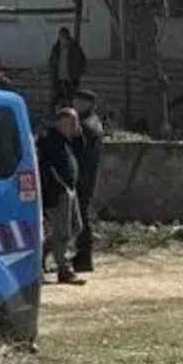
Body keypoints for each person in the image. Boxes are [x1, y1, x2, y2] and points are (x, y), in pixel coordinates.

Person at [37, 108, 85, 285]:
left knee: (76, 226)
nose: (75, 126)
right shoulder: (48, 139)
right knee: (62, 232)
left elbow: (82, 152)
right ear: (60, 121)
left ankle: (40, 257)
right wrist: (60, 187)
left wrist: (78, 135)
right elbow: (46, 167)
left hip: (70, 190)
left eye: (76, 122)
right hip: (57, 192)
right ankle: (64, 270)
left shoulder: (67, 140)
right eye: (71, 122)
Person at [71, 89, 105, 274]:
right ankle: (83, 256)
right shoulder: (93, 122)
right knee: (81, 216)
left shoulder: (86, 126)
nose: (75, 104)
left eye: (79, 101)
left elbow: (76, 152)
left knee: (76, 217)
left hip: (81, 176)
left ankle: (83, 256)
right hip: (86, 176)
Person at [48, 27, 87, 108]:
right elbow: (51, 62)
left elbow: (82, 61)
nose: (62, 40)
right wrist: (52, 73)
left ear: (67, 37)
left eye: (63, 38)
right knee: (55, 99)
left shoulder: (74, 48)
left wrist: (78, 74)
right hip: (58, 79)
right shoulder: (56, 49)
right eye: (60, 37)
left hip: (71, 79)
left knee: (71, 98)